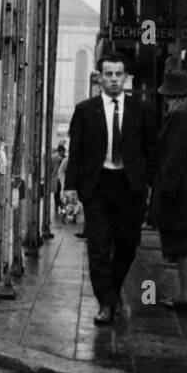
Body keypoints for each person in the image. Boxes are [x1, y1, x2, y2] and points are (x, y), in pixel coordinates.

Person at [63, 52, 159, 325]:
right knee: (98, 246)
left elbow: (153, 152)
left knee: (128, 245)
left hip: (130, 188)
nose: (114, 79)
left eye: (119, 74)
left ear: (126, 77)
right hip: (98, 186)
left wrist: (148, 183)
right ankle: (106, 303)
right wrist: (71, 187)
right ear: (99, 77)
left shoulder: (142, 110)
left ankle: (112, 290)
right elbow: (76, 153)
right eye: (109, 74)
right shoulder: (85, 110)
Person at [152, 71, 187, 311]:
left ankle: (186, 295)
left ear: (175, 96)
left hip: (182, 193)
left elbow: (174, 154)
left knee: (183, 245)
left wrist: (164, 188)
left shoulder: (180, 115)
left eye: (167, 97)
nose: (166, 102)